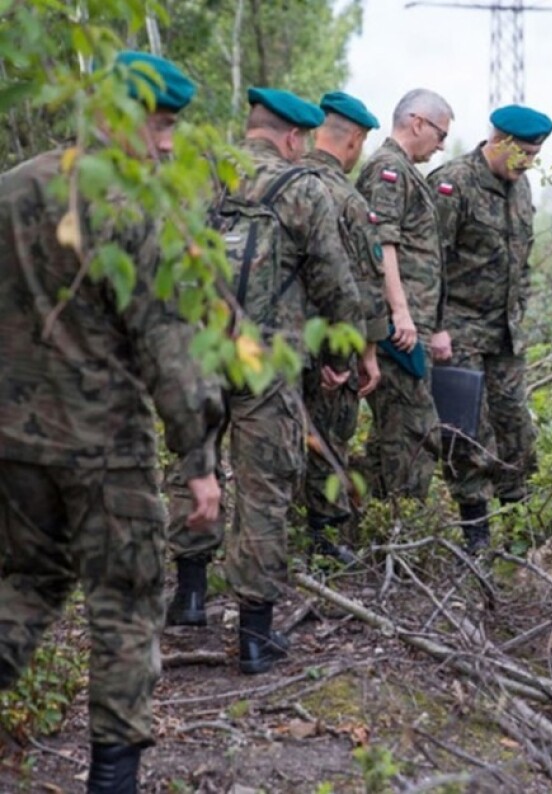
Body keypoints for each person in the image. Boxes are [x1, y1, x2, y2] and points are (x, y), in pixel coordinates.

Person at [0, 51, 223, 793]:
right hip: (107, 452)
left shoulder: (13, 188)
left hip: (15, 443)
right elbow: (169, 345)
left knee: (26, 584)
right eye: (157, 125)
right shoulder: (132, 207)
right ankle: (113, 781)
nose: (165, 144)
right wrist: (199, 460)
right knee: (124, 608)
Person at [164, 87, 365, 676]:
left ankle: (191, 597)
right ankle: (254, 637)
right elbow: (334, 283)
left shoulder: (199, 172)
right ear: (294, 137)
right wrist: (337, 356)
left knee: (193, 465)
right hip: (269, 362)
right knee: (263, 488)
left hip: (199, 347)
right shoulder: (304, 188)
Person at [427, 104, 552, 554]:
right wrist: (435, 326)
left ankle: (521, 537)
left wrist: (520, 308)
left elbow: (523, 260)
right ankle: (475, 538)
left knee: (516, 427)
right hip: (457, 329)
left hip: (505, 333)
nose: (528, 164)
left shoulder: (522, 189)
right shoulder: (453, 182)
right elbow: (428, 261)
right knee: (466, 435)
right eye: (522, 155)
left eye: (534, 157)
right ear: (498, 141)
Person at [298, 91, 390, 563]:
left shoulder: (285, 181)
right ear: (353, 140)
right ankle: (321, 535)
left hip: (276, 340)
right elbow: (362, 285)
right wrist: (364, 353)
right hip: (329, 340)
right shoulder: (345, 197)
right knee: (330, 432)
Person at [356, 89, 454, 504]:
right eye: (440, 133)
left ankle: (368, 523)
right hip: (398, 330)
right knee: (415, 430)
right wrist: (401, 313)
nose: (443, 144)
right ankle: (394, 525)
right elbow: (383, 243)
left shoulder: (405, 171)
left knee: (395, 432)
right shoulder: (387, 169)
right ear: (417, 123)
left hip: (410, 327)